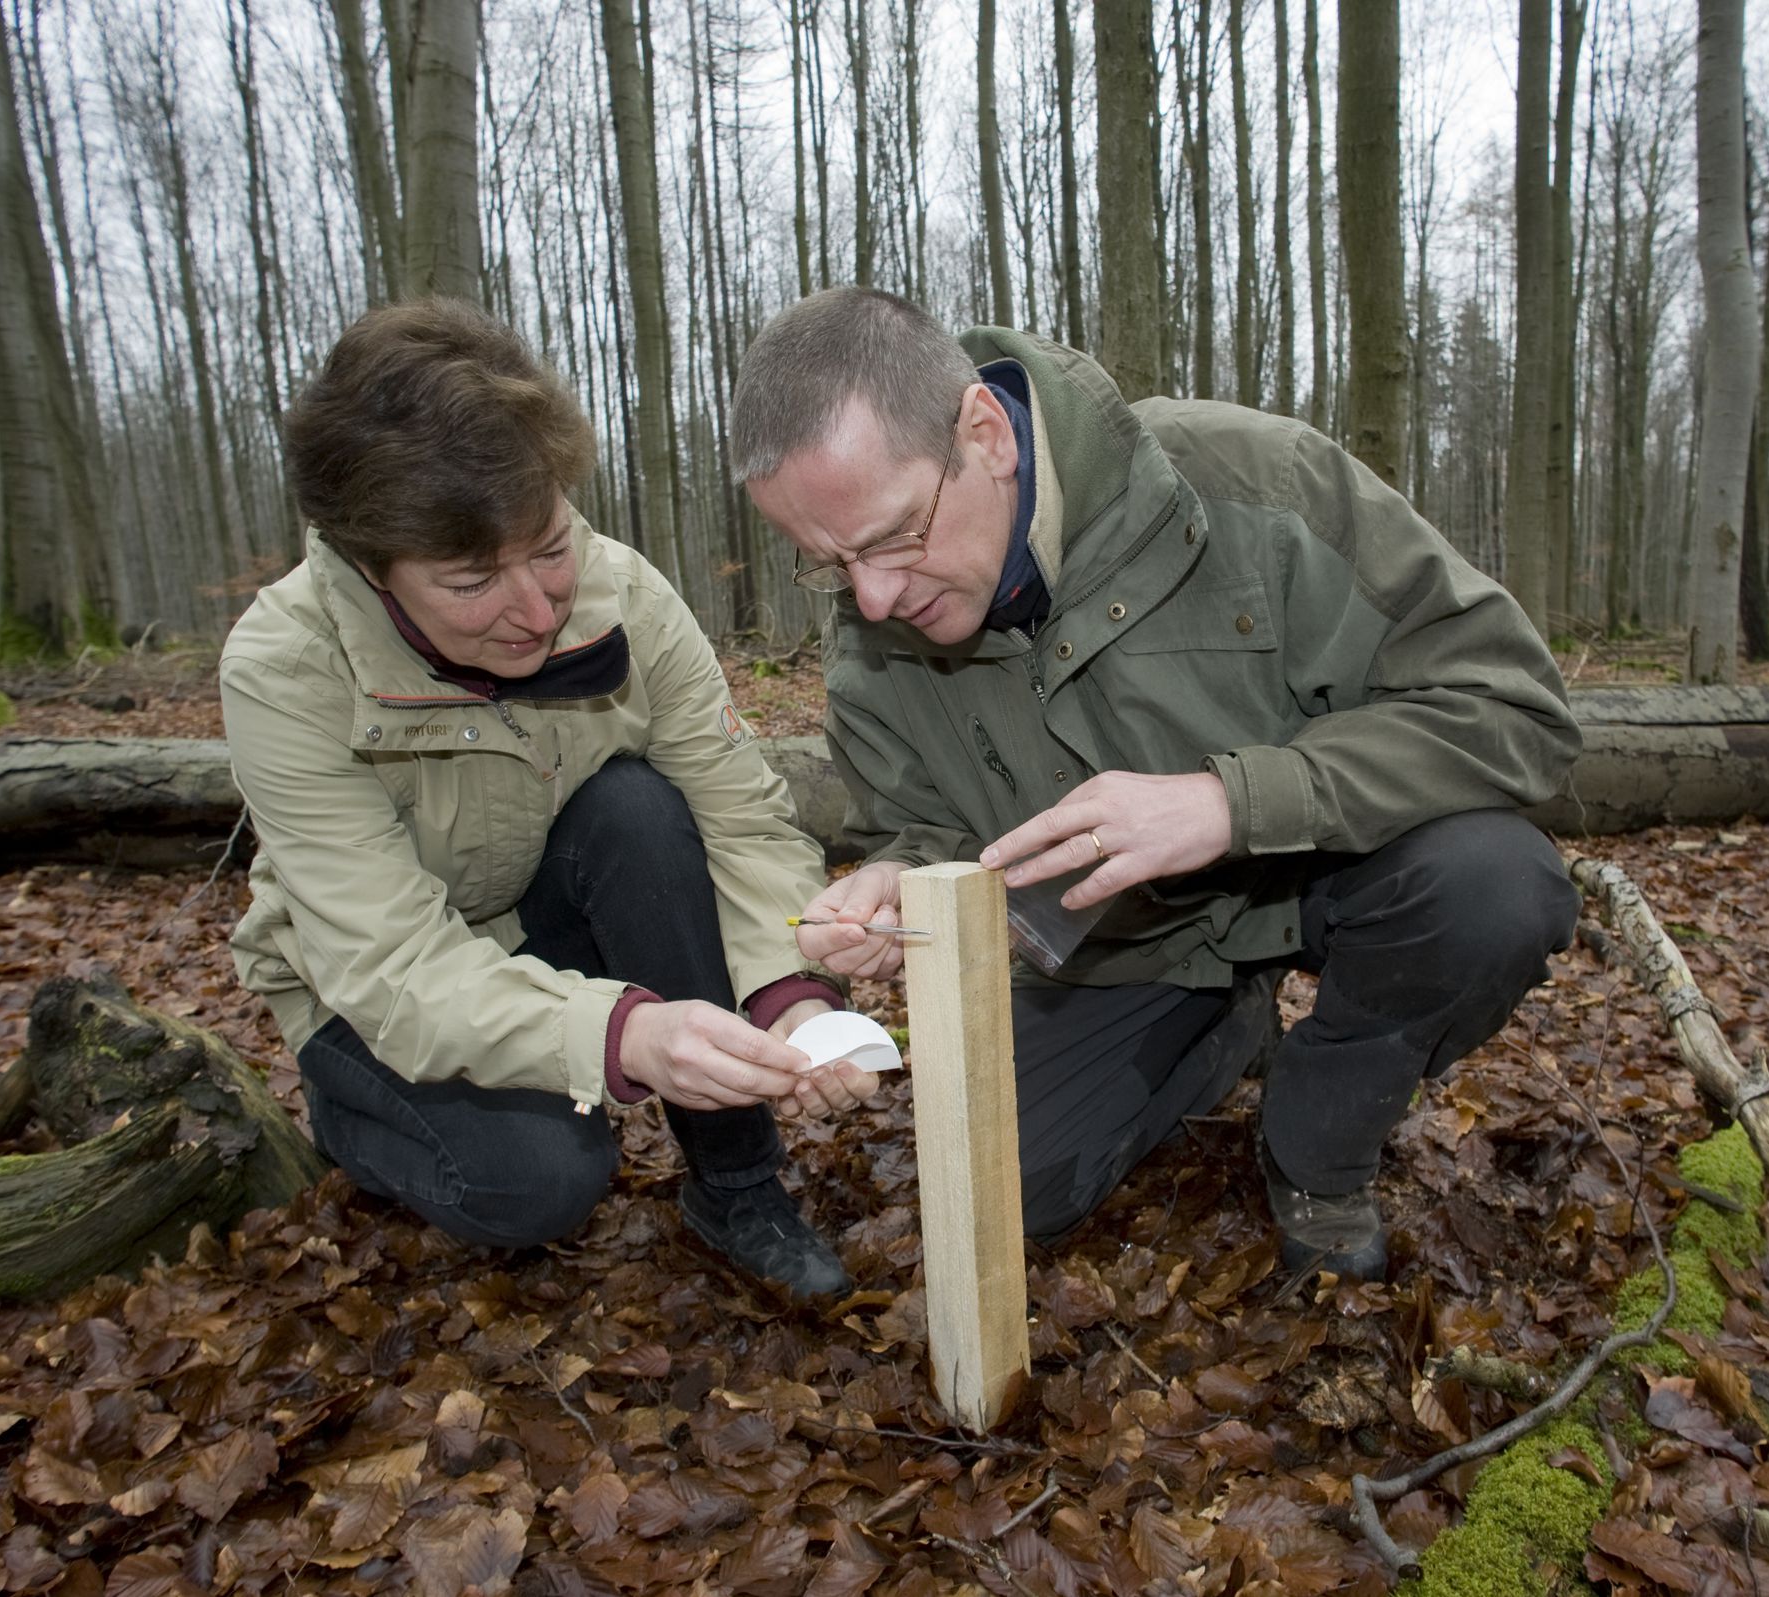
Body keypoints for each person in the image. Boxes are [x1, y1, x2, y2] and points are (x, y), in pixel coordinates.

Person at [732, 287, 1583, 1281]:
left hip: (1329, 871)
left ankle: (1320, 1144)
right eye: (830, 566)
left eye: (889, 538)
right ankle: (1224, 1025)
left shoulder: (1251, 486)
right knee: (1018, 1192)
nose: (874, 596)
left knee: (1491, 885)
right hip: (1115, 947)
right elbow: (924, 829)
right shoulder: (872, 647)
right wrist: (900, 885)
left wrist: (1229, 803)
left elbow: (1516, 709)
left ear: (984, 434)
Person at [220, 299, 870, 1295]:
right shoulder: (286, 667)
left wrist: (787, 994)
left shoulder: (623, 595)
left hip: (533, 916)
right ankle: (358, 1112)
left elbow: (738, 814)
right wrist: (623, 1037)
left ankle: (740, 1186)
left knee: (640, 810)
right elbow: (392, 963)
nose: (536, 609)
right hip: (369, 992)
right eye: (472, 579)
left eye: (550, 547)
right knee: (540, 1186)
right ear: (372, 565)